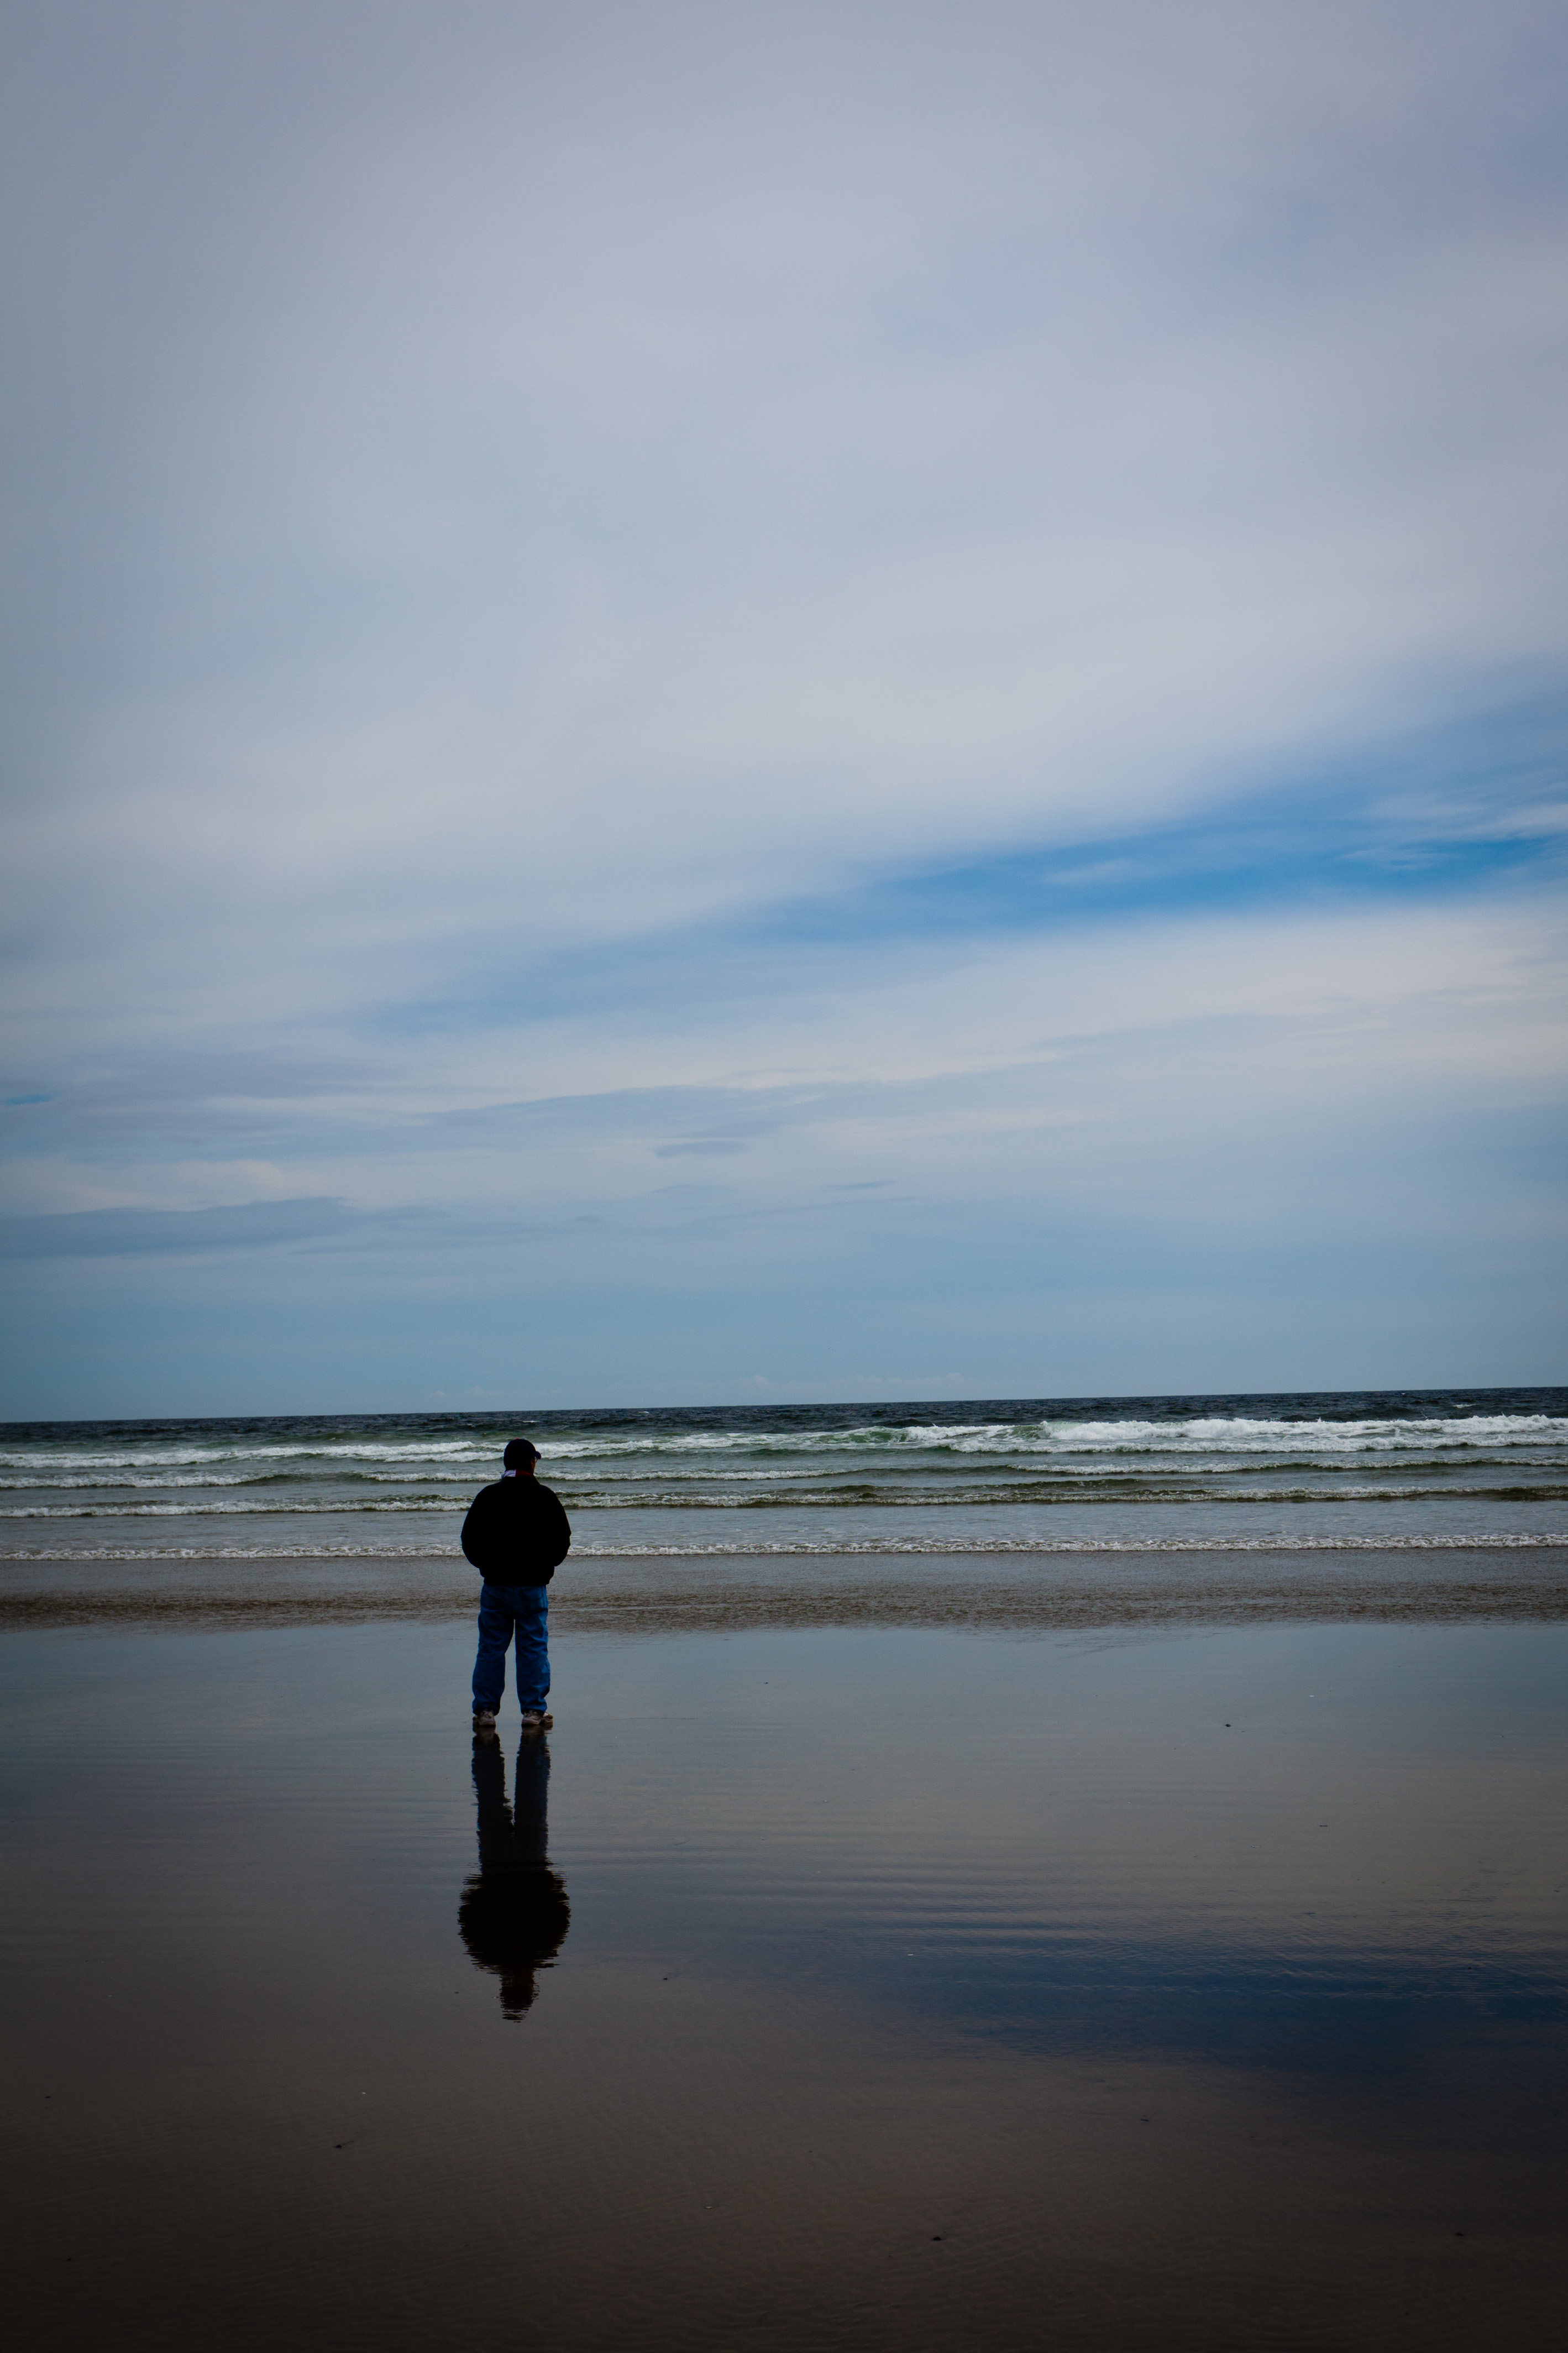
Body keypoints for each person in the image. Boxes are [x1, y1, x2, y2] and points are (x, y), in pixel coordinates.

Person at [462, 1439, 572, 1733]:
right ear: (531, 1463)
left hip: (496, 1584)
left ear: (506, 1464)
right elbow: (563, 1540)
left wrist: (486, 1566)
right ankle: (534, 1710)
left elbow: (469, 1540)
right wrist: (546, 1567)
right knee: (533, 1648)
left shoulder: (488, 1496)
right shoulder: (545, 1496)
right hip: (532, 1585)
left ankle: (485, 1710)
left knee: (491, 1647)